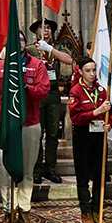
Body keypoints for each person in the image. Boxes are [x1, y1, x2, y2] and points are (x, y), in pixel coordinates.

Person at [0, 31, 50, 223]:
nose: (19, 43)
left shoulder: (37, 65)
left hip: (29, 124)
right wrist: (4, 113)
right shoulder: (0, 67)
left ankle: (24, 210)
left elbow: (43, 90)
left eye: (22, 39)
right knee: (4, 169)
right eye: (16, 39)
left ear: (25, 43)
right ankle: (8, 211)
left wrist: (26, 88)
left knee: (27, 170)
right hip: (4, 125)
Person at [68, 56, 112, 223]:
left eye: (94, 70)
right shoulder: (76, 91)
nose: (92, 74)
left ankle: (97, 210)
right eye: (88, 70)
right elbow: (76, 117)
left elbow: (110, 111)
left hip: (99, 135)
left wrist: (110, 124)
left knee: (100, 175)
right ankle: (85, 213)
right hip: (83, 136)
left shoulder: (101, 90)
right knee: (83, 176)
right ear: (80, 71)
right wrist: (96, 112)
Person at [27, 18, 73, 185]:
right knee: (38, 132)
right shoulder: (31, 49)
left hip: (53, 93)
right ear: (36, 31)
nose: (45, 30)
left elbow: (69, 60)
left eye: (48, 28)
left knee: (53, 133)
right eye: (42, 27)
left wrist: (51, 50)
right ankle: (37, 168)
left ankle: (50, 168)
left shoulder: (58, 48)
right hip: (38, 94)